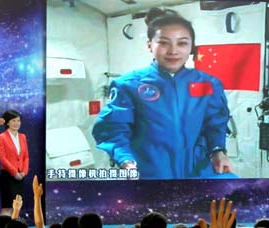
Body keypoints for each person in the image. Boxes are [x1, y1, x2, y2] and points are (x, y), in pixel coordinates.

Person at [92, 8, 235, 179]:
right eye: (164, 42)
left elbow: (215, 123)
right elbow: (113, 129)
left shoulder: (208, 83)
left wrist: (218, 151)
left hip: (198, 170)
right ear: (149, 45)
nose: (173, 51)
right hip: (149, 173)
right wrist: (126, 161)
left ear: (191, 47)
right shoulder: (128, 84)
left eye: (182, 43)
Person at [0, 109, 29, 216]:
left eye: (18, 121)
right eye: (13, 121)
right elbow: (2, 158)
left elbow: (26, 157)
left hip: (21, 176)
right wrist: (14, 173)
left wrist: (24, 172)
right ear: (7, 122)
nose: (16, 123)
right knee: (7, 207)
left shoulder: (22, 137)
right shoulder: (2, 137)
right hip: (8, 176)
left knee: (17, 208)